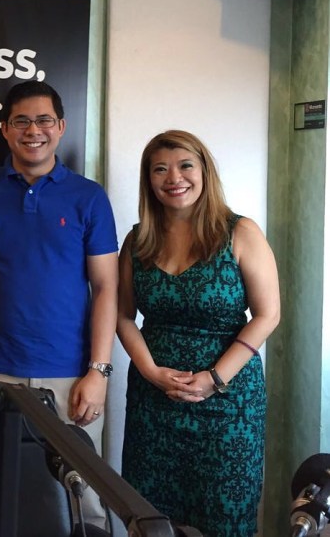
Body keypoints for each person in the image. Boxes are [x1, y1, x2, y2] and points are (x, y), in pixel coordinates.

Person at [0, 81, 118, 530]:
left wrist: (99, 372)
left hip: (71, 377)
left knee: (84, 501)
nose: (34, 131)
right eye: (22, 121)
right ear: (5, 130)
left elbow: (107, 287)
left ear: (61, 127)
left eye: (44, 120)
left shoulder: (88, 196)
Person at [117, 130, 280, 537]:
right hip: (154, 403)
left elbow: (267, 315)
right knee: (150, 519)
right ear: (149, 180)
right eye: (160, 169)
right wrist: (151, 372)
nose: (174, 178)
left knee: (226, 520)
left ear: (204, 170)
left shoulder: (240, 232)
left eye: (185, 165)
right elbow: (122, 316)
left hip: (229, 406)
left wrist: (216, 378)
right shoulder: (138, 241)